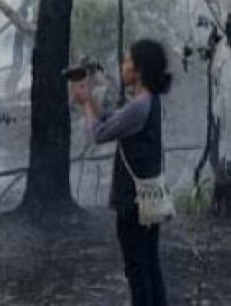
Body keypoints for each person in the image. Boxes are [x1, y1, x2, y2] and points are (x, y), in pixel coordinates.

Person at [71, 38, 172, 306]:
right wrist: (90, 99)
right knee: (149, 265)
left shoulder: (139, 106)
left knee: (137, 270)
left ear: (138, 70)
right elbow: (111, 121)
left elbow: (99, 133)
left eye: (127, 61)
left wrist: (83, 104)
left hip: (133, 202)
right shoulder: (149, 102)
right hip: (149, 196)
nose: (123, 65)